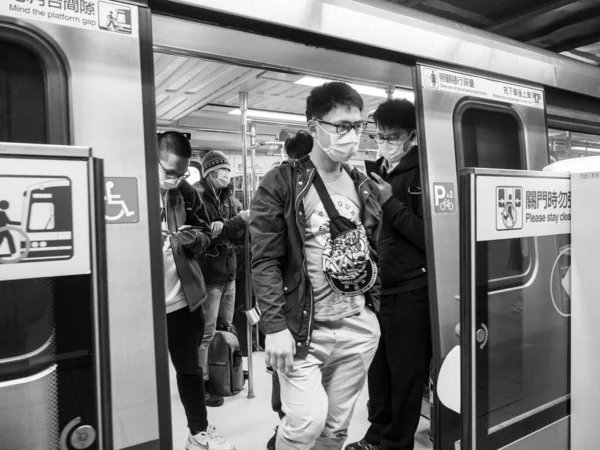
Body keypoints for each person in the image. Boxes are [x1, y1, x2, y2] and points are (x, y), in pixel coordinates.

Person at [250, 81, 382, 450]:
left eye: (358, 126)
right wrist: (274, 326)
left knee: (336, 428)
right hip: (304, 328)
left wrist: (374, 316)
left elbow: (371, 250)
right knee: (307, 421)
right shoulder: (284, 182)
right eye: (342, 126)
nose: (351, 135)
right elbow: (265, 259)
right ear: (314, 128)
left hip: (357, 325)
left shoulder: (362, 184)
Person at [346, 99, 431, 450]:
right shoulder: (376, 170)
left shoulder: (424, 173)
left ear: (411, 136)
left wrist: (389, 202)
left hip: (412, 290)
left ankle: (397, 443)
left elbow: (430, 236)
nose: (384, 143)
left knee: (405, 375)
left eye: (392, 136)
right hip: (377, 289)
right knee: (378, 373)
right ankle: (376, 436)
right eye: (379, 135)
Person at [157, 131, 235, 450]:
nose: (174, 180)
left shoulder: (186, 192)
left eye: (181, 174)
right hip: (140, 304)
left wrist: (192, 239)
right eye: (168, 173)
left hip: (182, 298)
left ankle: (199, 434)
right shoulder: (125, 188)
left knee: (189, 370)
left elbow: (205, 234)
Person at [265, 128, 313, 450]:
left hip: (287, 290)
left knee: (285, 367)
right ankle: (285, 426)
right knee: (287, 364)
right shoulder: (280, 183)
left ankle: (283, 420)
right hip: (291, 292)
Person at [195, 151, 249, 407]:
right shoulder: (197, 197)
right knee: (206, 332)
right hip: (208, 275)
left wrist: (227, 225)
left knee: (226, 326)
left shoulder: (230, 198)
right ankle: (202, 382)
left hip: (229, 273)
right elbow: (203, 236)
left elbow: (239, 233)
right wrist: (234, 223)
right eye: (224, 170)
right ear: (210, 173)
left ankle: (226, 369)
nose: (228, 175)